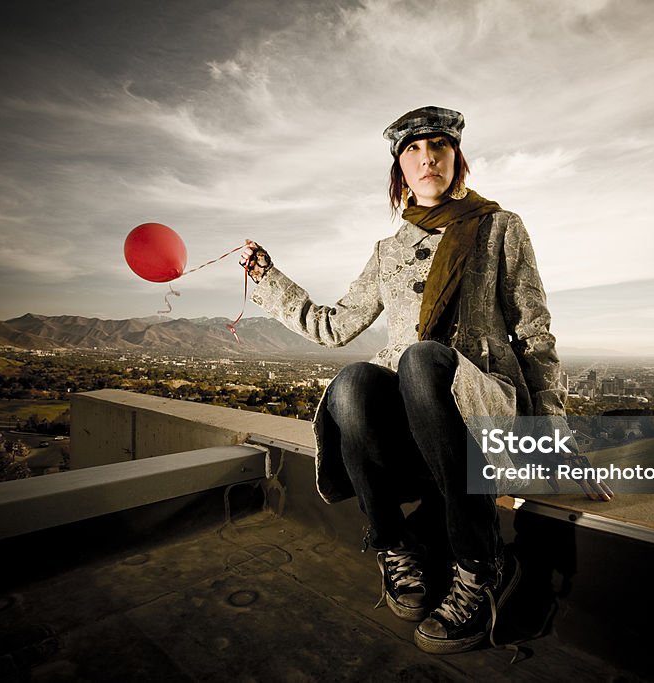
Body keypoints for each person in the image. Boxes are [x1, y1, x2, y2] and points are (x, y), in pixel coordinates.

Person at [240, 106, 612, 655]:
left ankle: (481, 566)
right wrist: (268, 280)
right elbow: (333, 326)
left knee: (421, 359)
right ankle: (396, 549)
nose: (427, 156)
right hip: (415, 427)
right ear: (400, 170)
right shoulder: (387, 252)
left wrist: (552, 437)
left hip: (479, 406)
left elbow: (534, 335)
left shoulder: (499, 226)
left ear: (456, 157)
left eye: (438, 145)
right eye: (412, 149)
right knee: (351, 382)